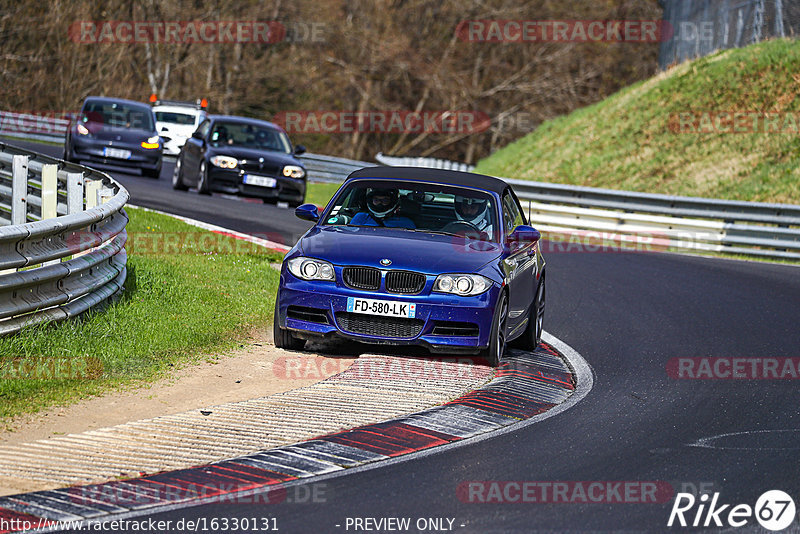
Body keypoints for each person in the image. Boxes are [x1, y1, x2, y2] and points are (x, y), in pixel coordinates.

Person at [350, 187, 415, 229]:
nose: (380, 203)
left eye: (385, 200)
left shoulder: (406, 223)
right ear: (371, 201)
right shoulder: (361, 218)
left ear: (392, 202)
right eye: (376, 200)